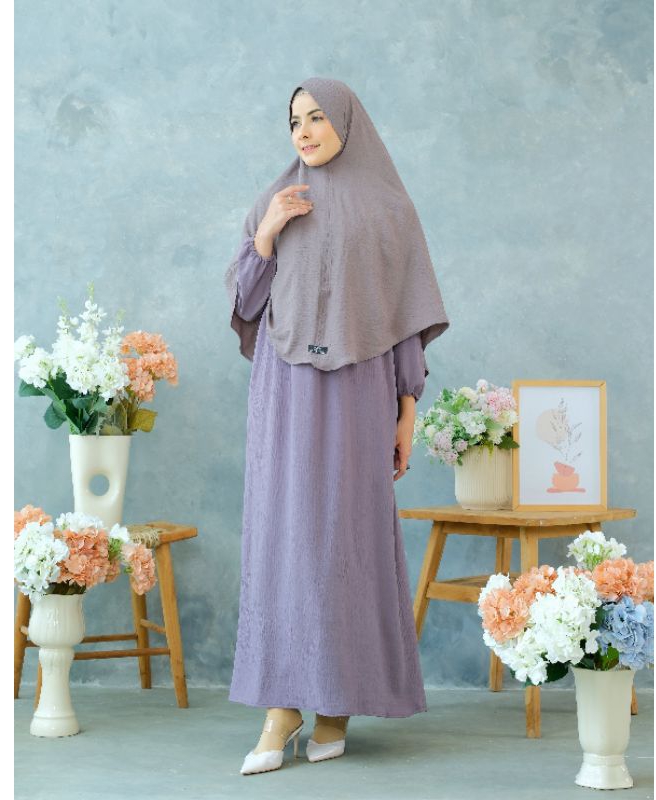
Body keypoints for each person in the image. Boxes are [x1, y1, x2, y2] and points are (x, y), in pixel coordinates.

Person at [224, 77, 449, 776]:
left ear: (347, 122)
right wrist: (267, 234)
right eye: (294, 120)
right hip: (286, 390)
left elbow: (403, 317)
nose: (304, 130)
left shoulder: (389, 210)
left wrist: (407, 411)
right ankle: (281, 705)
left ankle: (336, 702)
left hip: (360, 391)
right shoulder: (276, 199)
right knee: (286, 535)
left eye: (317, 117)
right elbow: (245, 302)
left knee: (345, 535)